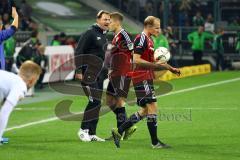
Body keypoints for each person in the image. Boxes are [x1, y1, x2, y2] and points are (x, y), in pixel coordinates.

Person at [111, 16, 181, 149]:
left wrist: (170, 68)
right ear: (148, 26)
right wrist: (154, 66)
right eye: (157, 27)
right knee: (152, 108)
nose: (159, 30)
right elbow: (136, 60)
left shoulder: (149, 40)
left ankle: (119, 131)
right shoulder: (141, 38)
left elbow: (154, 62)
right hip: (141, 77)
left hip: (146, 77)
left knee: (144, 111)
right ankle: (155, 143)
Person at [75, 10, 110, 142]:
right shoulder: (90, 33)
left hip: (99, 74)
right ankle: (83, 130)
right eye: (105, 19)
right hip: (88, 73)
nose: (107, 22)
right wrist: (78, 71)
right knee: (93, 100)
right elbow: (79, 51)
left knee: (98, 103)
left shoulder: (104, 35)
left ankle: (92, 133)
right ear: (98, 20)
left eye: (108, 20)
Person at [105, 12, 136, 140]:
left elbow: (134, 52)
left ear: (117, 22)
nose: (108, 24)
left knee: (119, 102)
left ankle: (119, 133)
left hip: (123, 73)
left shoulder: (124, 35)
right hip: (115, 73)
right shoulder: (115, 36)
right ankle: (127, 125)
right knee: (109, 101)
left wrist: (132, 71)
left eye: (110, 22)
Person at [0, 61, 42, 145]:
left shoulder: (10, 78)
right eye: (36, 80)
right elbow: (4, 112)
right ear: (32, 80)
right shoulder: (20, 86)